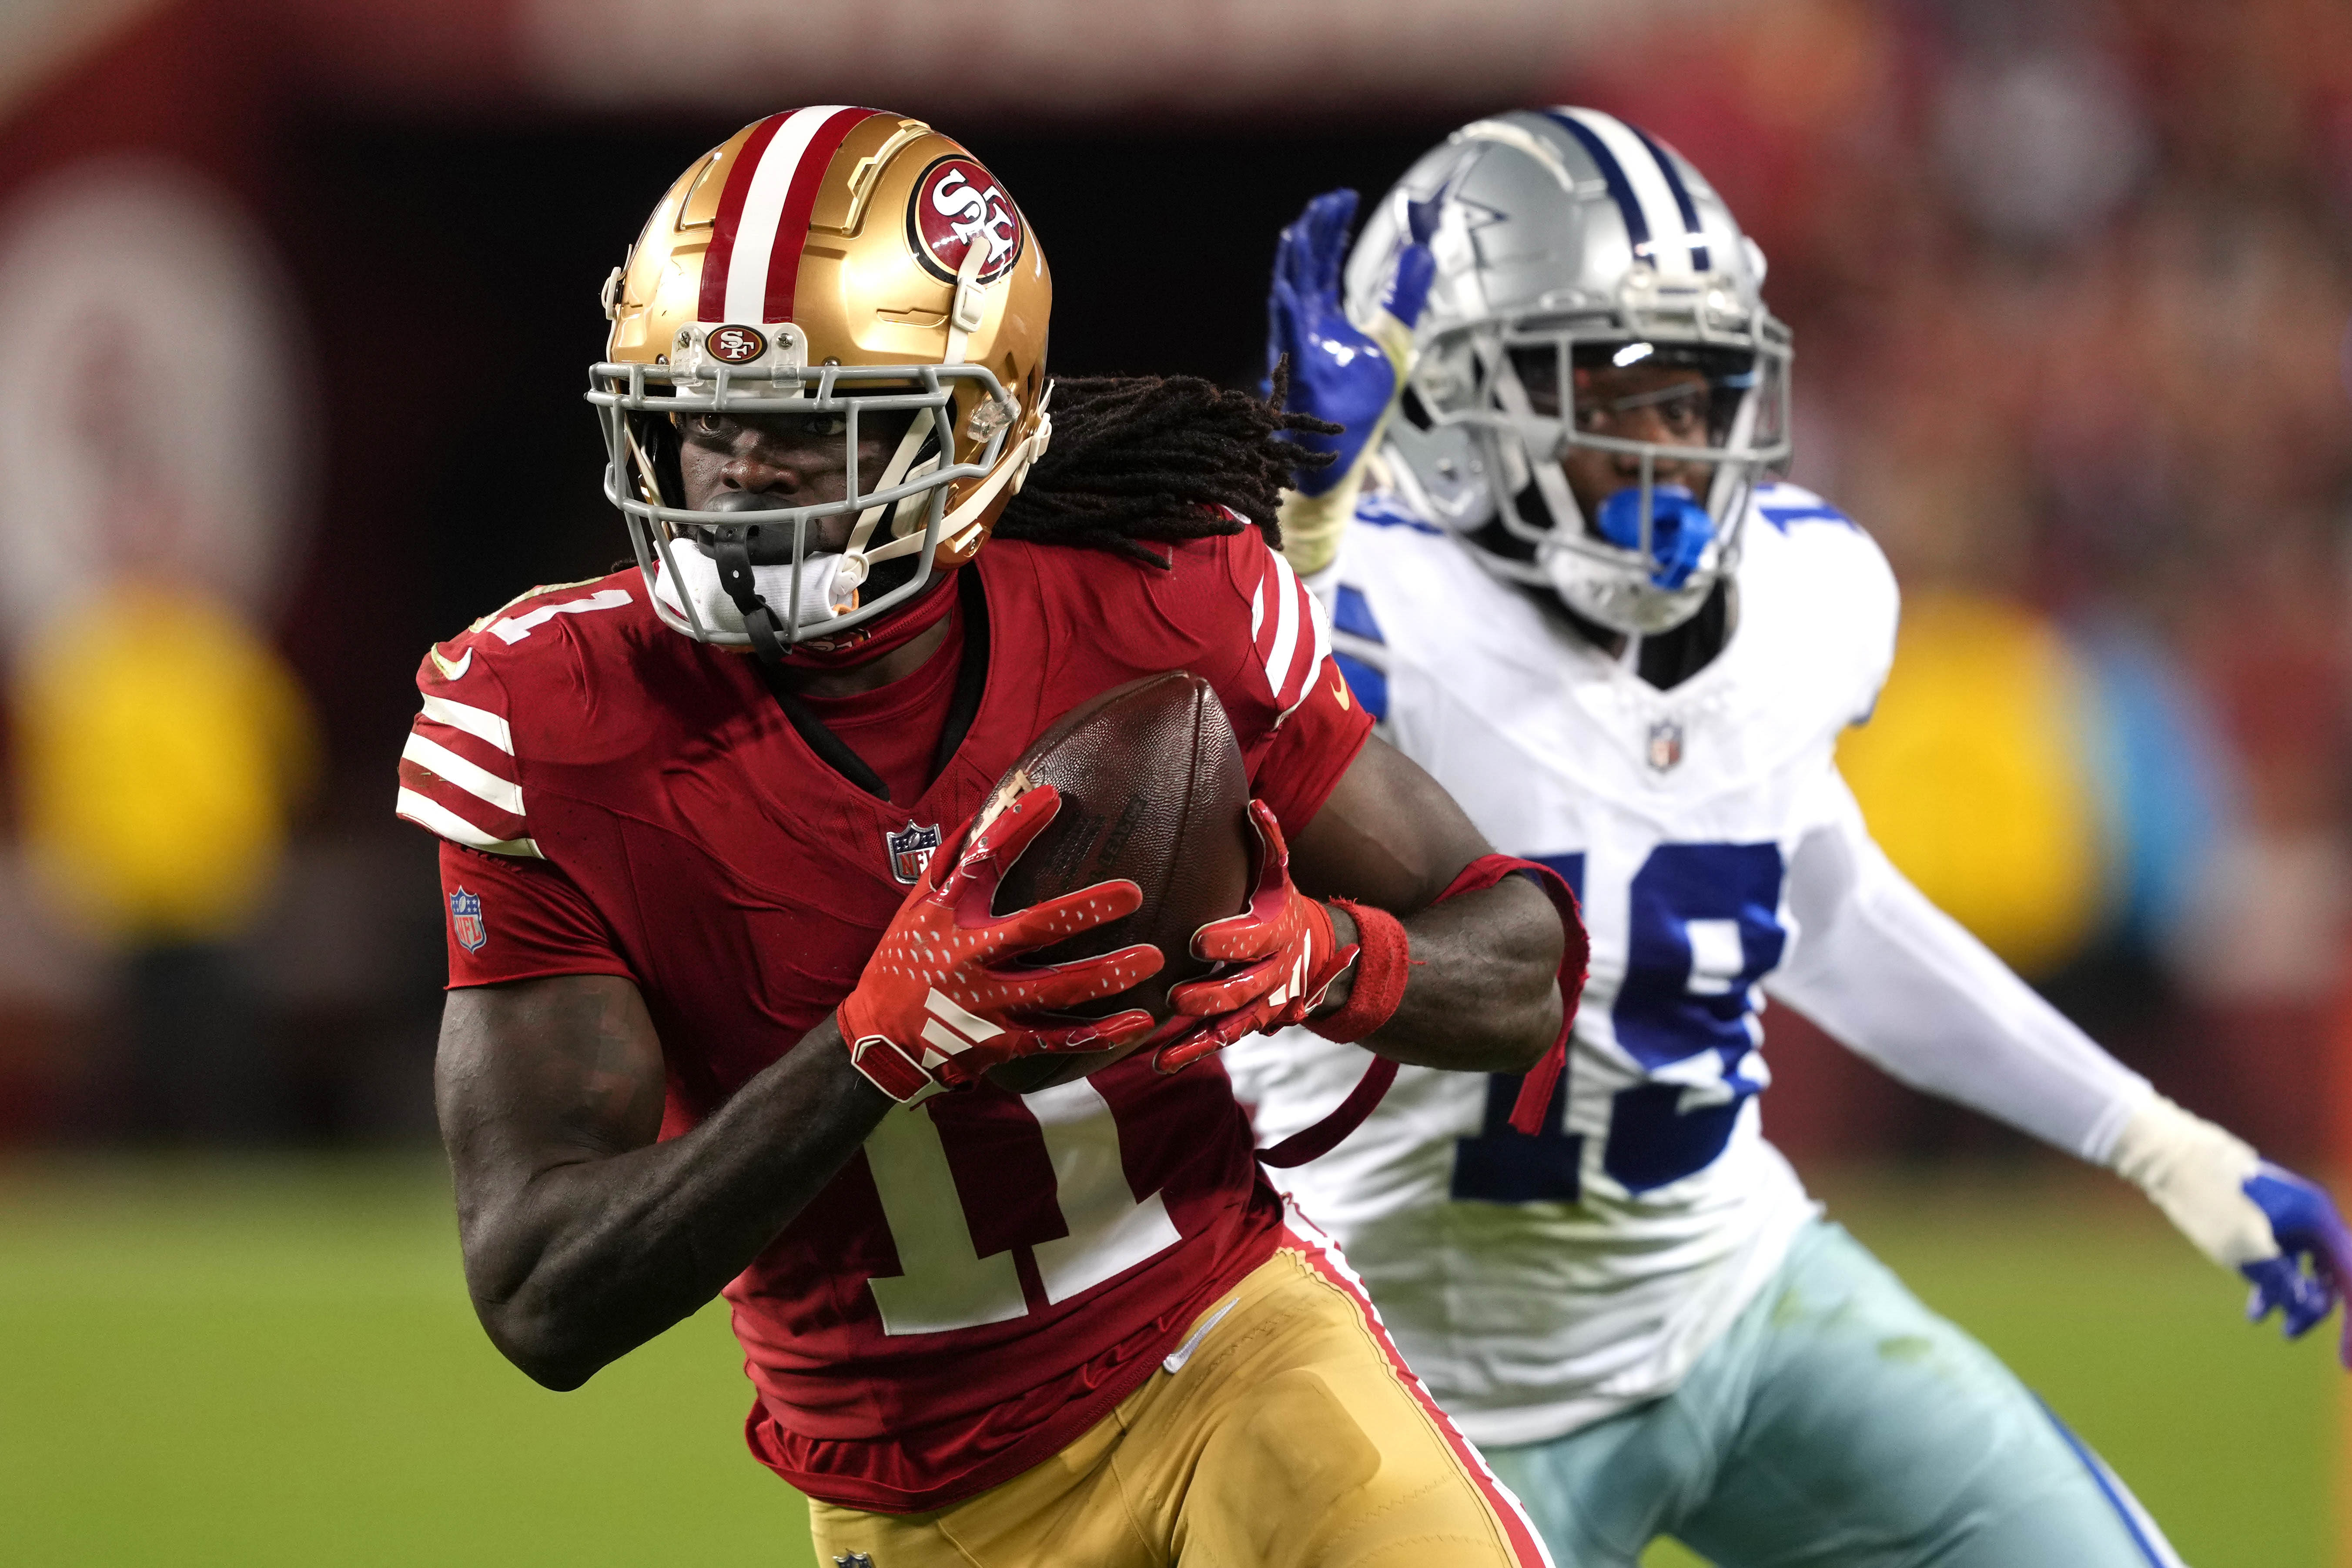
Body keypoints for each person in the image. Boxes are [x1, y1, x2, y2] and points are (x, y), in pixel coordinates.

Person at [395, 107, 1585, 1568]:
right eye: (702, 421)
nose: (738, 479)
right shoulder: (550, 715)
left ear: (974, 432)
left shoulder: (1159, 600)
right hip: (922, 1496)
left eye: (807, 428)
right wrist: (873, 1047)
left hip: (1230, 1348)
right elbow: (541, 1294)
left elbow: (1520, 968)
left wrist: (1326, 958)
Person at [1227, 107, 2352, 1568]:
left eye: (1698, 398)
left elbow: (1823, 906)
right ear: (1445, 410)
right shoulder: (1359, 608)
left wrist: (2161, 1145)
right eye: (1615, 394)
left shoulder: (1810, 594)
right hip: (1415, 1386)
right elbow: (1248, 712)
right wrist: (1306, 531)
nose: (1675, 448)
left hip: (1734, 1305)